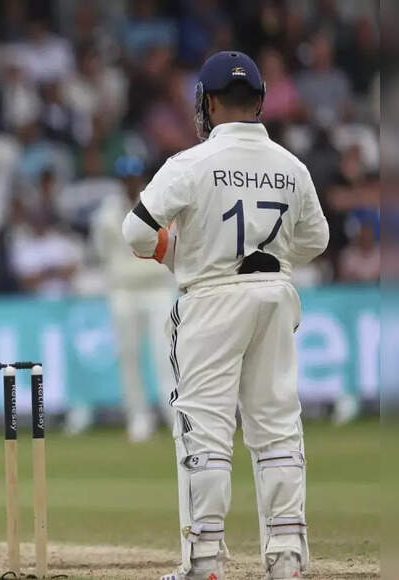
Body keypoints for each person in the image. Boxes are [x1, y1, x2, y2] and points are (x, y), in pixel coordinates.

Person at [122, 51, 329, 580]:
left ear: (209, 103)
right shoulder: (291, 166)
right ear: (259, 102)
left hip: (211, 298)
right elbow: (317, 240)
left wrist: (176, 253)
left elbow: (136, 231)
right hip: (275, 296)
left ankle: (205, 560)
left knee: (205, 430)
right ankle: (286, 557)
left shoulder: (190, 164)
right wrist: (269, 262)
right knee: (277, 425)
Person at [91, 155, 177, 442]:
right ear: (120, 181)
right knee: (129, 356)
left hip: (157, 288)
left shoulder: (157, 205)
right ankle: (138, 417)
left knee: (165, 355)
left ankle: (173, 413)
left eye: (134, 178)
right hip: (124, 291)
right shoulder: (107, 212)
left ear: (141, 179)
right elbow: (102, 251)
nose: (130, 183)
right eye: (125, 179)